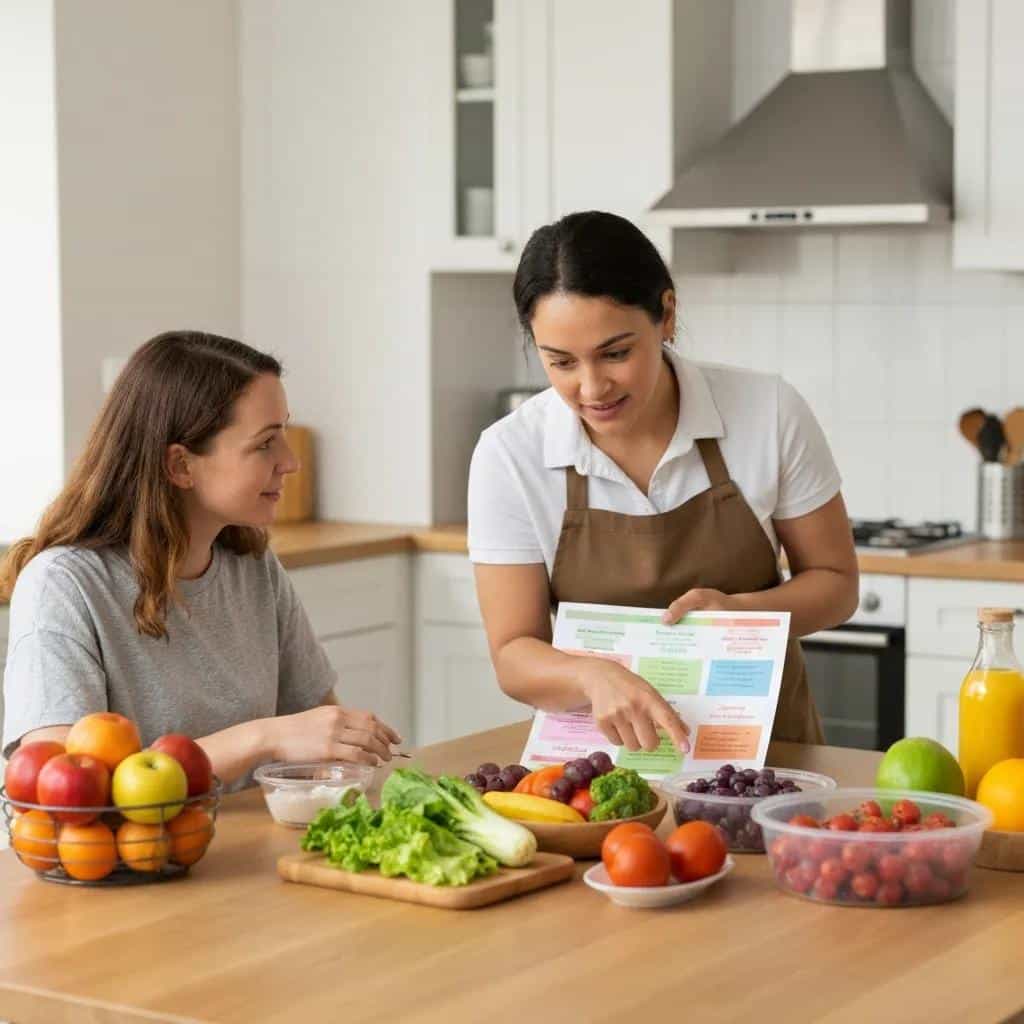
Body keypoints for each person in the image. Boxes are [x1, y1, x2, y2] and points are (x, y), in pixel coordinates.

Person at [468, 211, 859, 754]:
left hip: (768, 756)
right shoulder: (510, 454)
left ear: (666, 313)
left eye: (616, 353)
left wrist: (742, 614)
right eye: (560, 362)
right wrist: (591, 676)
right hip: (603, 771)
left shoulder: (768, 411)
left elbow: (837, 582)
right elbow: (514, 652)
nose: (591, 387)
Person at [1, 331, 401, 788]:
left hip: (241, 846)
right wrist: (262, 737)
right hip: (125, 861)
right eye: (265, 443)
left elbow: (318, 739)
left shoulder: (252, 566)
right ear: (180, 466)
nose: (290, 462)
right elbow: (60, 791)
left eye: (284, 434)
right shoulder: (64, 585)